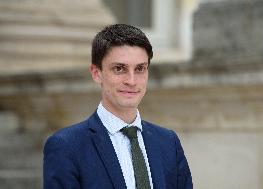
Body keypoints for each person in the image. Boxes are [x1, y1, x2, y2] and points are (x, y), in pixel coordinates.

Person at [43, 24, 193, 189]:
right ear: (96, 73)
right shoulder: (66, 146)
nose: (131, 81)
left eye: (140, 69)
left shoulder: (168, 142)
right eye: (119, 68)